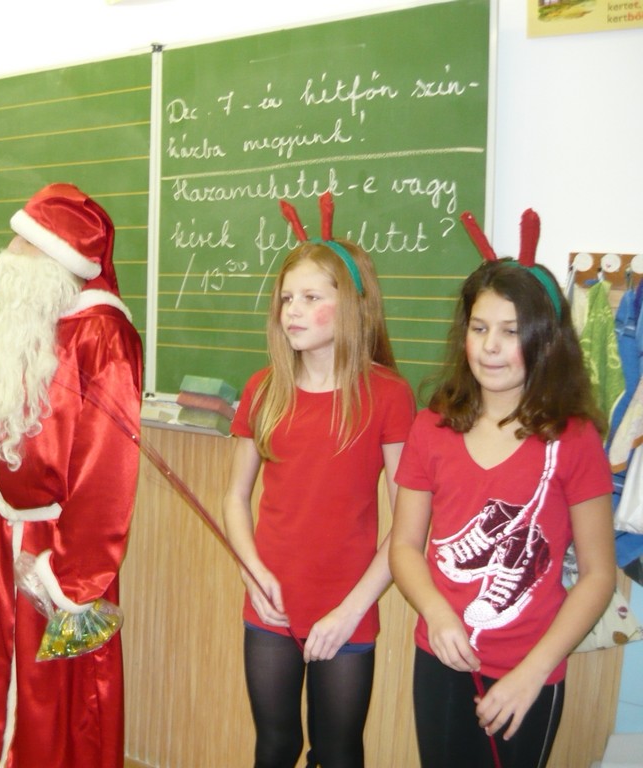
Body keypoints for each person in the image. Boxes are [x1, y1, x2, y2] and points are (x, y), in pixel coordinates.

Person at [388, 210, 616, 768]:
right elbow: (404, 546)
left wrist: (533, 673)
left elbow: (598, 576)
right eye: (479, 327)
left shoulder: (573, 438)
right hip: (442, 659)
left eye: (511, 332)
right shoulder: (432, 426)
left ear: (545, 339)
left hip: (528, 673)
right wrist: (437, 613)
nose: (490, 346)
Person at [0, 183, 143, 768]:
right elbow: (9, 438)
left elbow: (107, 469)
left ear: (59, 257)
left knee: (61, 699)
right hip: (13, 539)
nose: (8, 253)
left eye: (24, 242)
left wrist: (70, 578)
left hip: (59, 553)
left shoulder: (101, 333)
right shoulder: (35, 327)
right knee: (14, 677)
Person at [222, 193, 415, 768]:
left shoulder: (388, 396)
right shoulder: (263, 390)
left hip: (348, 609)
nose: (293, 311)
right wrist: (252, 573)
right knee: (275, 746)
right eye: (287, 298)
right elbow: (235, 498)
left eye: (311, 298)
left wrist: (350, 611)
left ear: (351, 305)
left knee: (338, 752)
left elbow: (409, 524)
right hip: (271, 607)